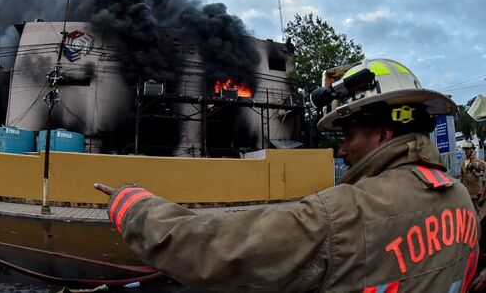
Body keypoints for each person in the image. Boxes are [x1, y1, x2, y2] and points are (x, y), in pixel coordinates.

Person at [95, 59, 478, 292]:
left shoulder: (343, 214)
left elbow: (220, 247)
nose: (342, 150)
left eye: (347, 135)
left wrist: (132, 206)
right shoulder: (461, 198)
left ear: (384, 133)